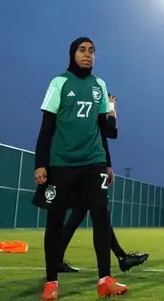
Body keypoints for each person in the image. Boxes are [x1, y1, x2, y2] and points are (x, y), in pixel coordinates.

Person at [33, 38, 127, 299]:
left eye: (92, 51)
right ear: (72, 54)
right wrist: (41, 163)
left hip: (93, 161)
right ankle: (51, 282)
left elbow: (106, 131)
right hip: (61, 162)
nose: (87, 55)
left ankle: (105, 279)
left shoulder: (99, 85)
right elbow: (46, 128)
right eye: (82, 50)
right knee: (55, 220)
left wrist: (112, 110)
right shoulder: (59, 83)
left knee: (100, 214)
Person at [56, 93, 149, 275]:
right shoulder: (91, 116)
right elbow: (111, 131)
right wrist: (112, 107)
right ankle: (122, 259)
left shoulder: (79, 115)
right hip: (90, 170)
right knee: (99, 213)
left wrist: (108, 165)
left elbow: (101, 140)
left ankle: (56, 260)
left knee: (79, 215)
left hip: (79, 168)